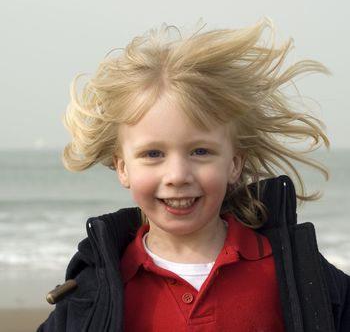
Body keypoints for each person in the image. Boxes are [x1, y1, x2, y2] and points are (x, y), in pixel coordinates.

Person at [37, 18, 349, 331]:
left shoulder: (295, 270)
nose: (177, 175)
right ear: (123, 168)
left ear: (234, 164)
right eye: (153, 154)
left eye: (200, 151)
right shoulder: (95, 290)